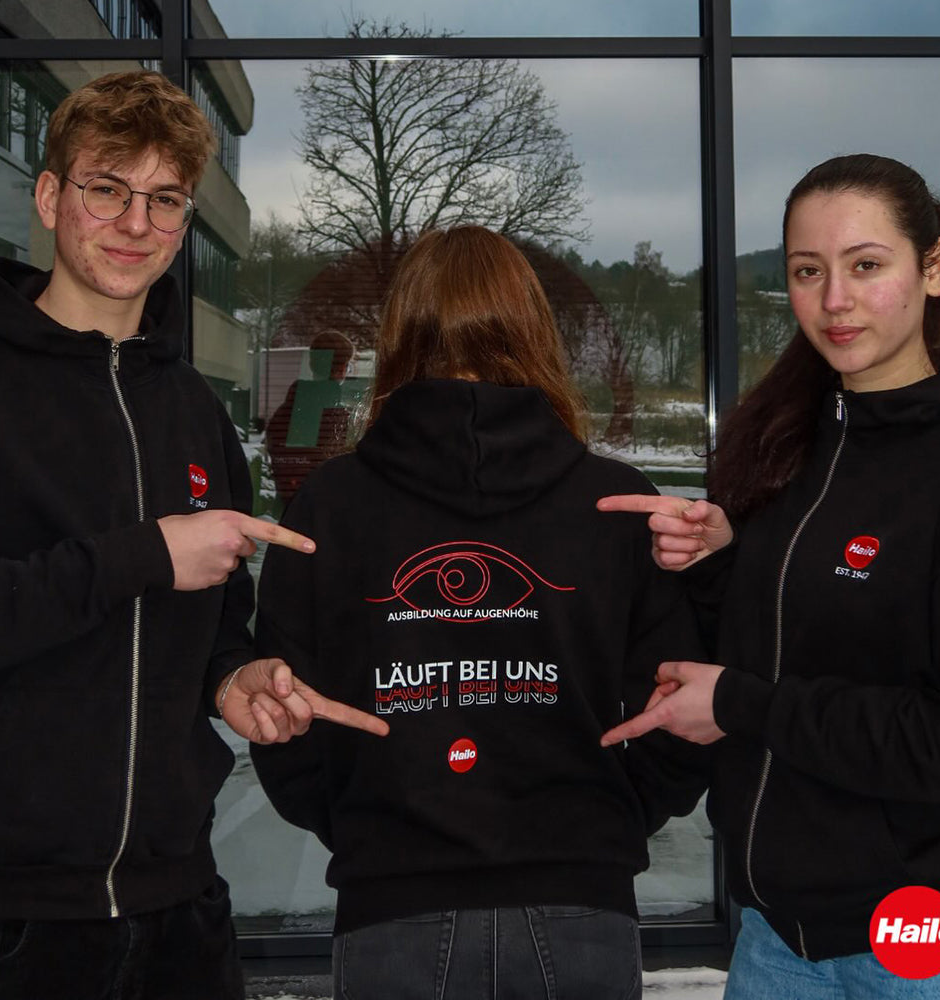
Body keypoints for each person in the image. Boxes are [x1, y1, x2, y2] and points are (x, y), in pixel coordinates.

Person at [0, 70, 386, 1000]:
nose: (135, 223)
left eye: (164, 200)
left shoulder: (197, 412)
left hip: (180, 909)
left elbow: (217, 620)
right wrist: (146, 555)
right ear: (49, 197)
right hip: (11, 918)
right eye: (107, 189)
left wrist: (233, 679)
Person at [250, 225, 712, 999]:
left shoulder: (330, 504)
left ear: (400, 335)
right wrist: (610, 818)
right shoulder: (616, 500)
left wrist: (369, 824)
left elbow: (279, 715)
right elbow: (684, 711)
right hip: (582, 907)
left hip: (392, 909)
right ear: (534, 331)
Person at [599, 154, 940, 997]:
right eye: (809, 272)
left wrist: (741, 706)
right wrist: (721, 565)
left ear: (934, 267)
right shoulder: (794, 441)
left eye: (866, 265)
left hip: (928, 939)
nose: (835, 299)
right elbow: (798, 646)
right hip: (776, 939)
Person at [265, 329, 356, 503]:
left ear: (312, 364)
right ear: (341, 369)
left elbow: (276, 446)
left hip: (290, 502)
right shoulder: (336, 415)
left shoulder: (288, 410)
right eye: (348, 366)